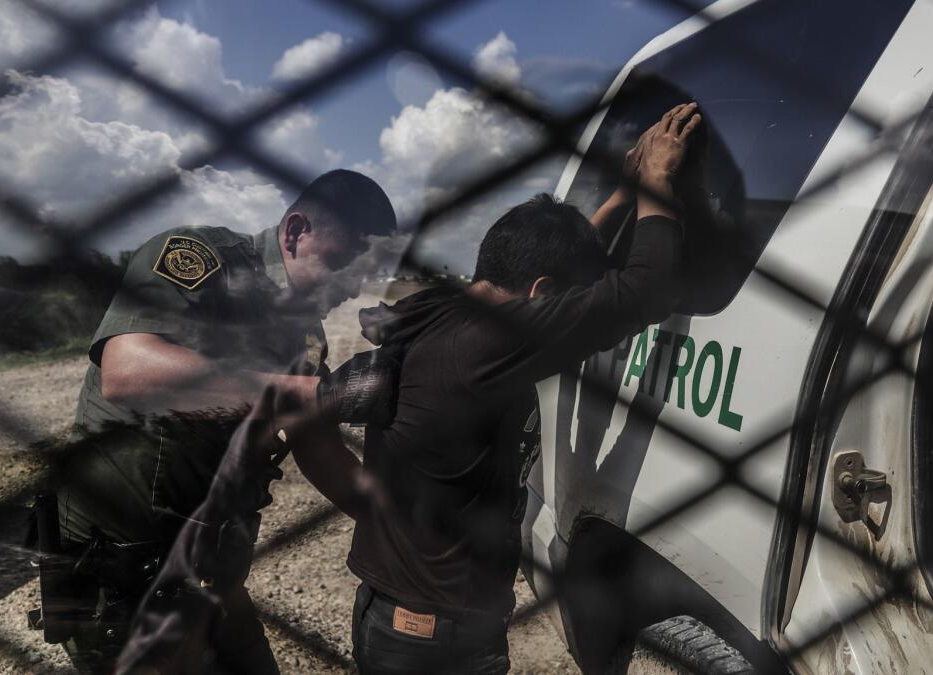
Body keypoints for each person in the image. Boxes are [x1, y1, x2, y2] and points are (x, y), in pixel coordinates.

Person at [284, 102, 702, 674]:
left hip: (400, 619)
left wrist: (619, 198)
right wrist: (657, 180)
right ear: (540, 293)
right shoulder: (491, 345)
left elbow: (549, 279)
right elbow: (648, 287)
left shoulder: (446, 310)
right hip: (437, 642)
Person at [42, 169, 396, 674]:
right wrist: (317, 392)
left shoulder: (303, 334)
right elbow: (128, 370)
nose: (354, 287)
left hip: (208, 572)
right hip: (124, 573)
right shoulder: (199, 261)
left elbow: (318, 449)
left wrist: (408, 521)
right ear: (295, 232)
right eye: (344, 265)